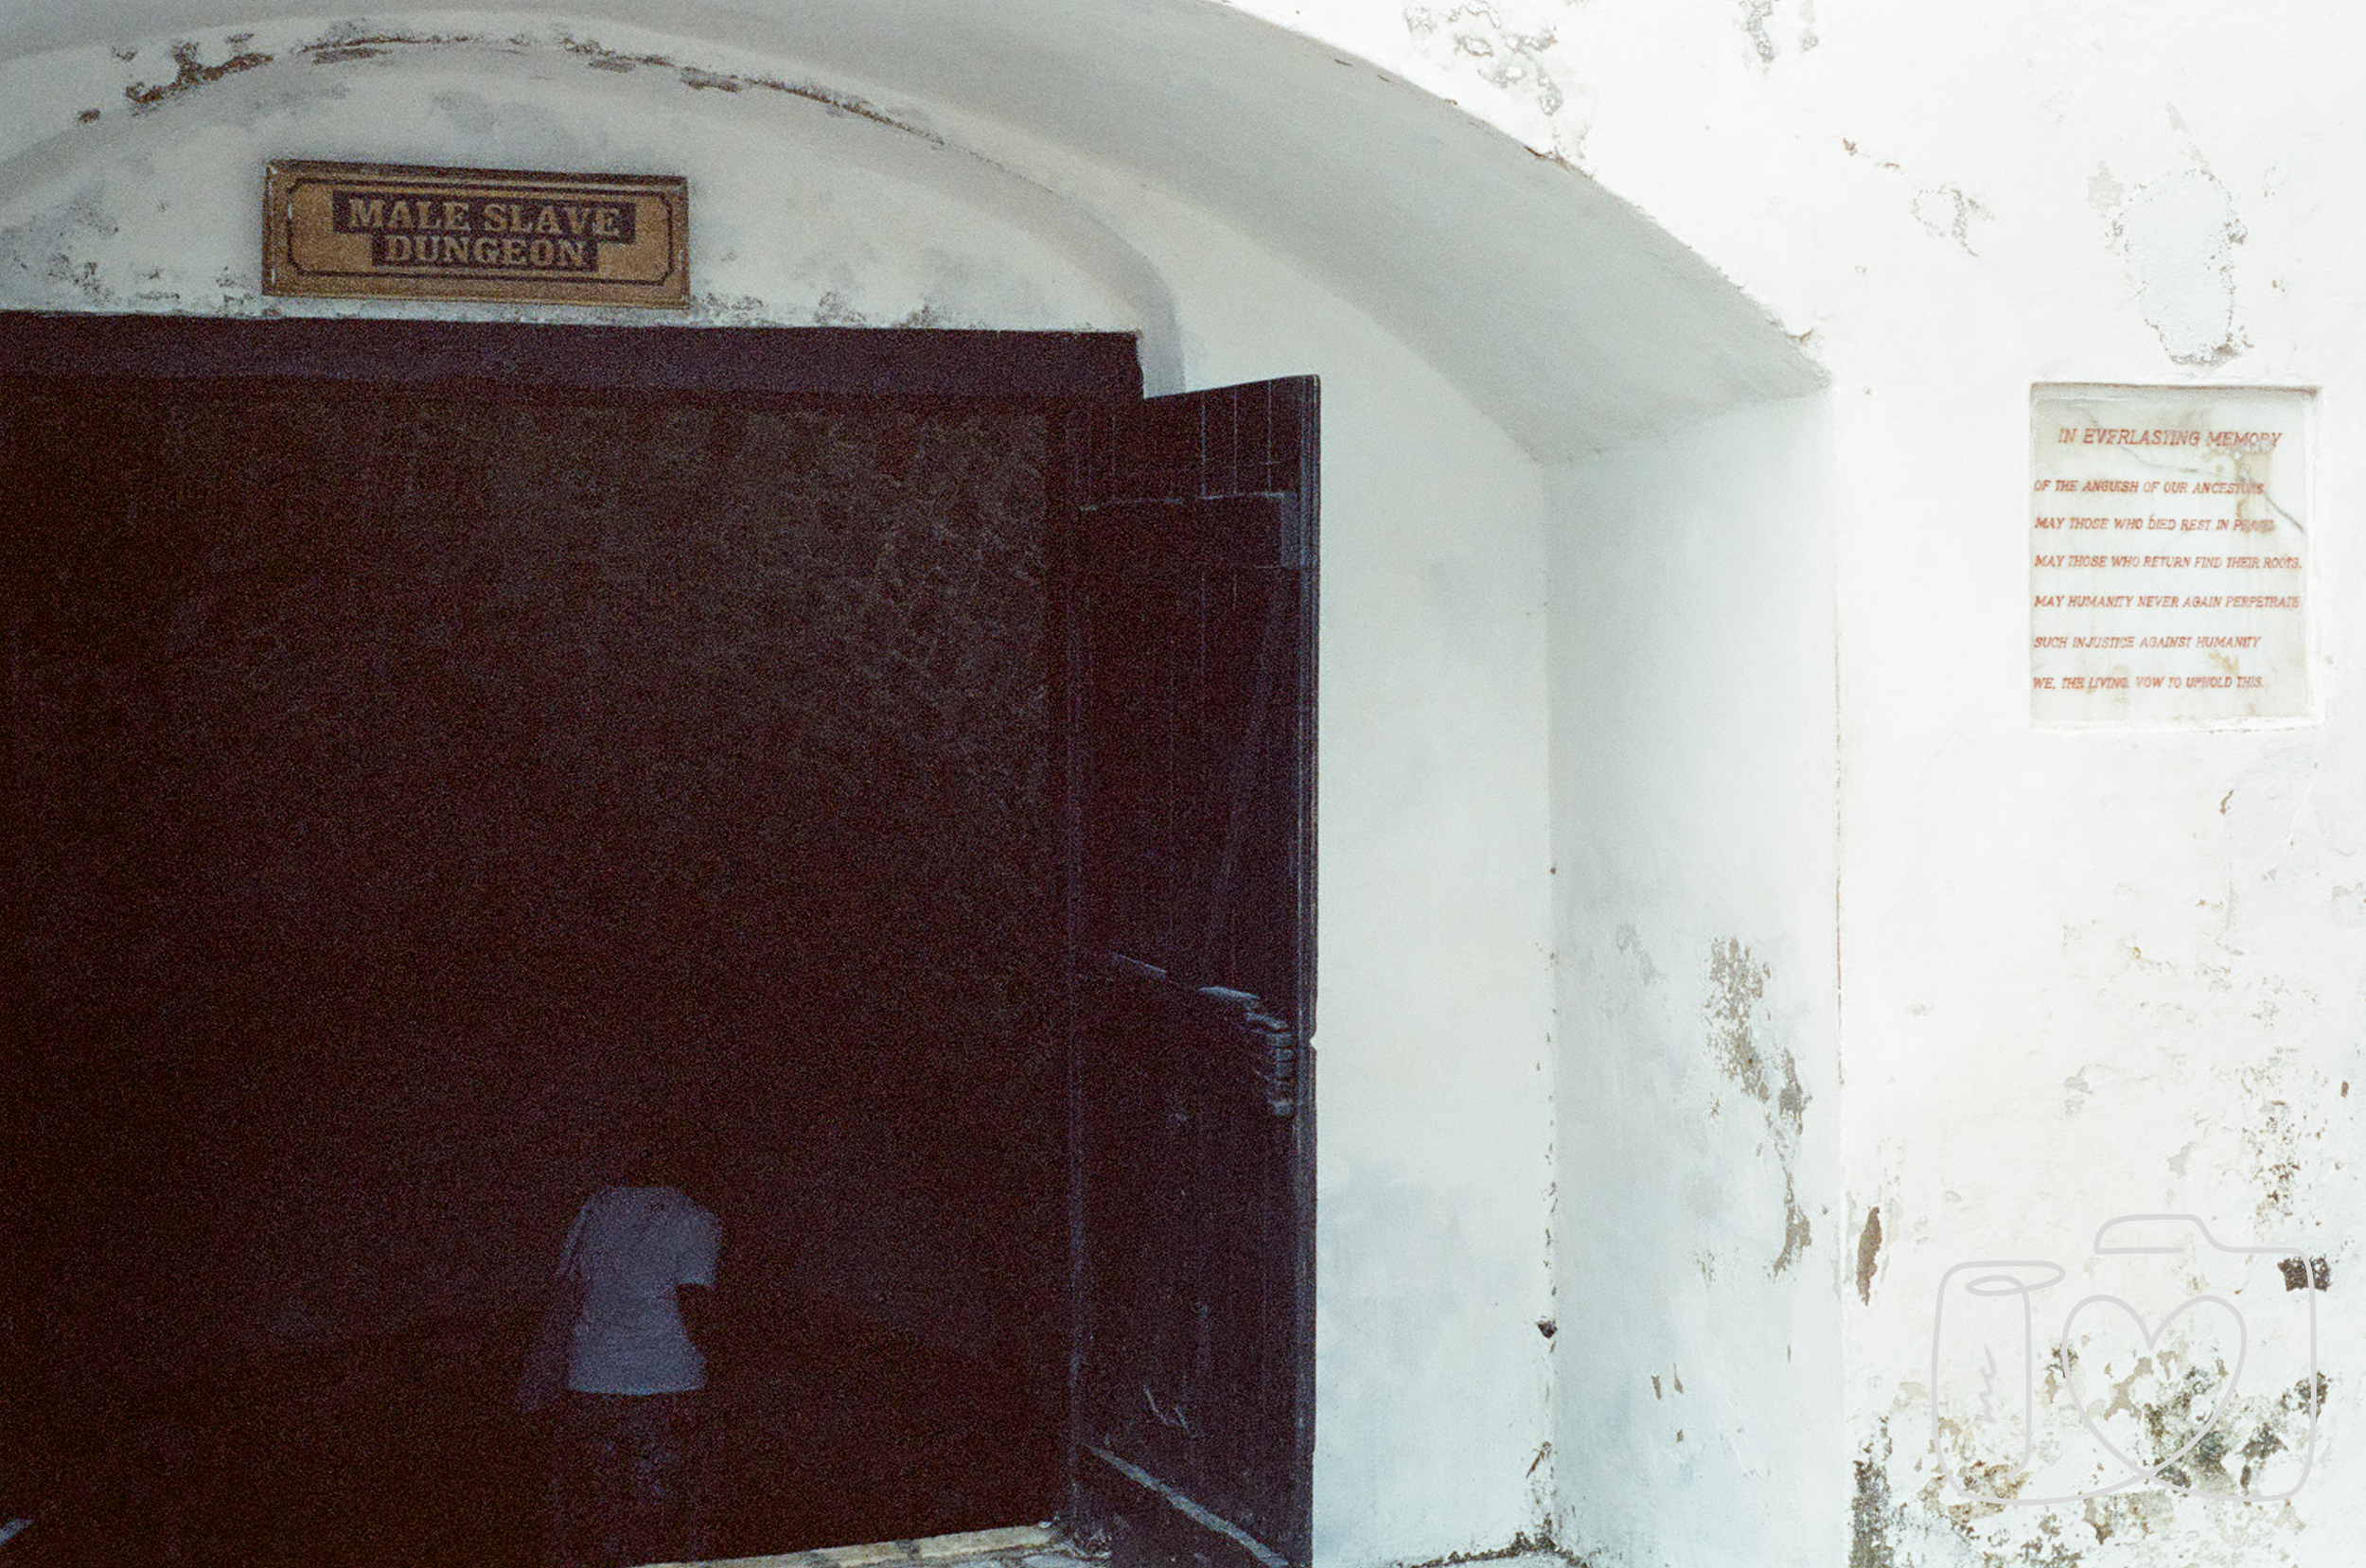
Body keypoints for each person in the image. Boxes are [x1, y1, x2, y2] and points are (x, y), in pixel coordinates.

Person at [542, 1136, 722, 1568]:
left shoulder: (595, 1210)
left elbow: (568, 1291)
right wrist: (725, 1369)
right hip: (667, 1384)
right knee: (660, 1520)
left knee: (599, 1517)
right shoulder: (693, 1219)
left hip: (592, 1380)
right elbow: (695, 1305)